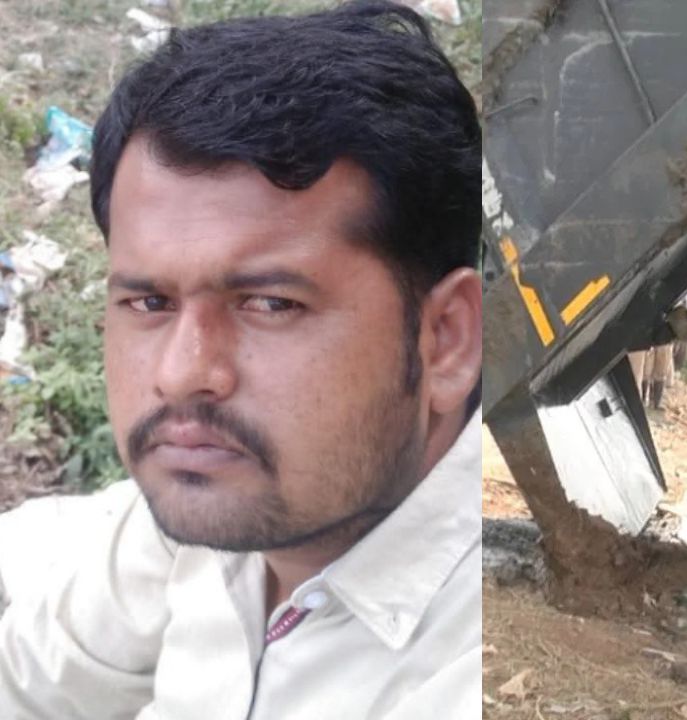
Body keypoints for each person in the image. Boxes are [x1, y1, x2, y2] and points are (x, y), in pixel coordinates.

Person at [0, 2, 482, 718]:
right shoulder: (216, 501)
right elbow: (36, 676)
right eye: (149, 302)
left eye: (270, 304)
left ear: (445, 339)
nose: (181, 374)